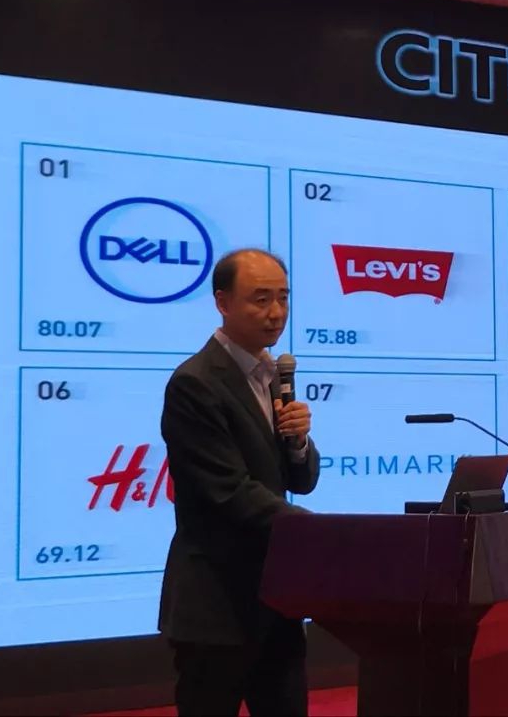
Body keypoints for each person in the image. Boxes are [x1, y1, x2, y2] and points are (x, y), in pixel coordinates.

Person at [158, 248, 321, 717]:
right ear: (223, 302)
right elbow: (228, 490)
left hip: (276, 600)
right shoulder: (196, 383)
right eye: (261, 299)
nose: (276, 312)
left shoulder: (272, 377)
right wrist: (319, 533)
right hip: (216, 606)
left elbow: (300, 480)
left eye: (283, 298)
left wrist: (298, 444)